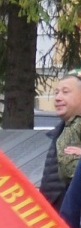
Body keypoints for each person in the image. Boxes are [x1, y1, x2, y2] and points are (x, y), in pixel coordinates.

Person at [39, 72, 81, 207]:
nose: (57, 98)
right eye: (56, 93)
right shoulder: (59, 132)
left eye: (65, 92)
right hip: (54, 214)